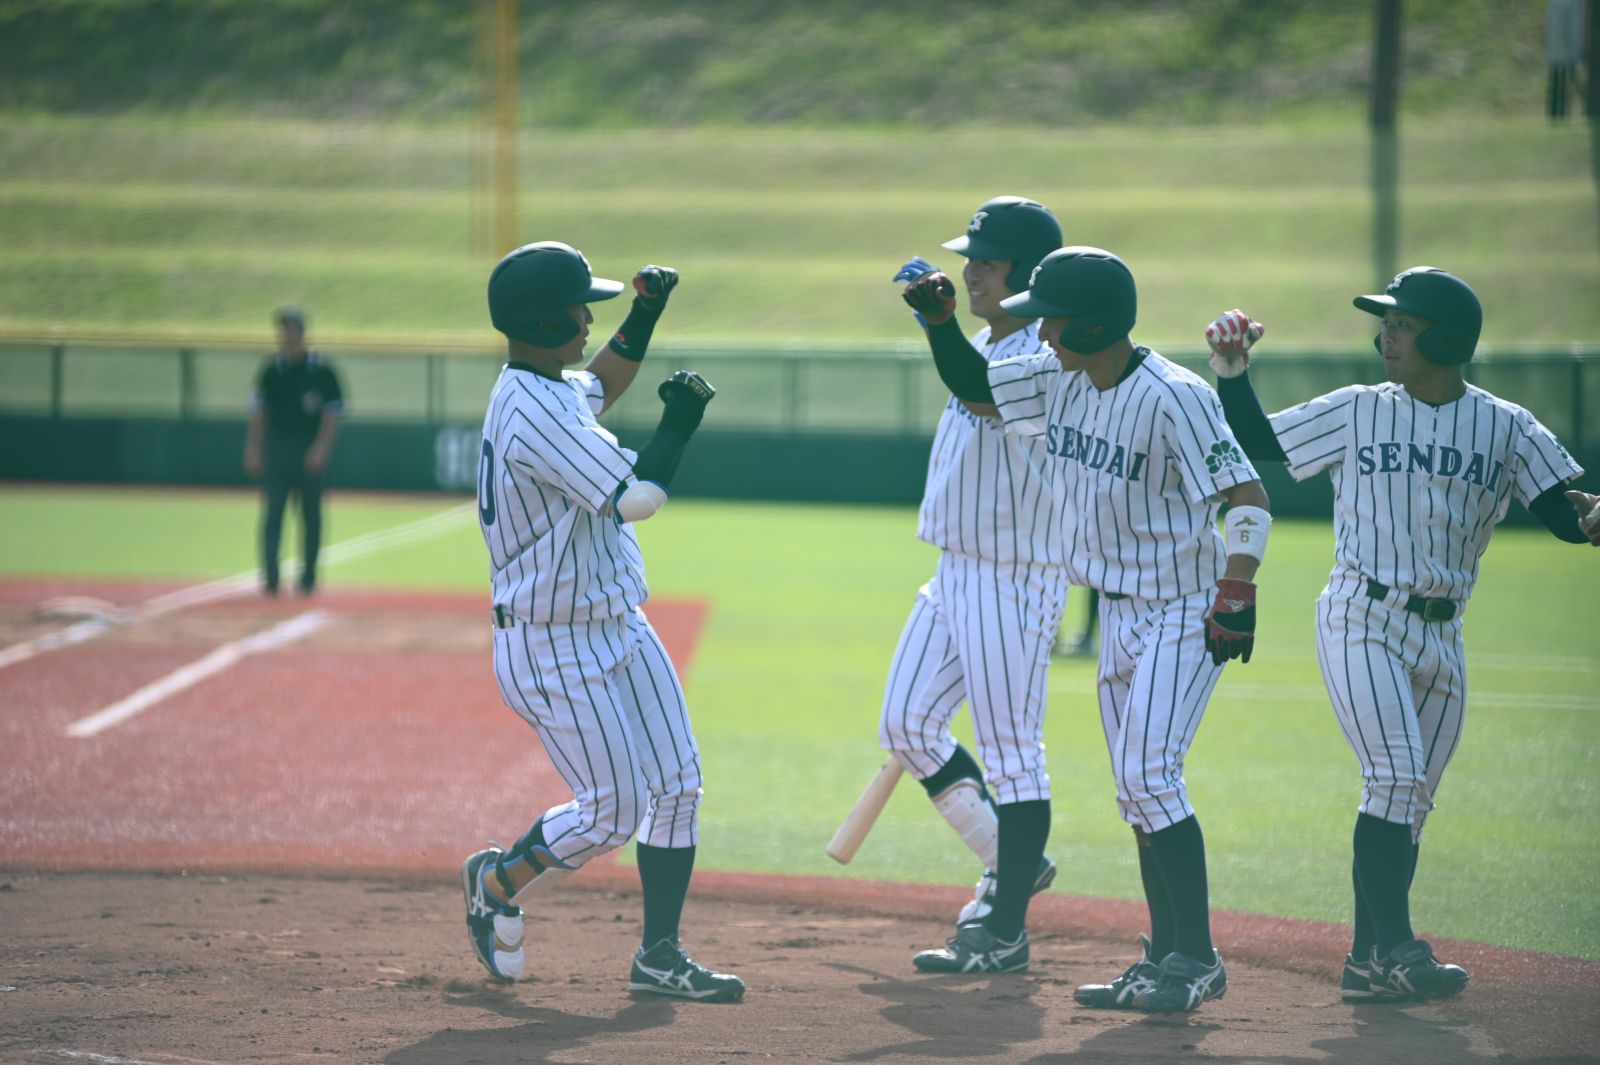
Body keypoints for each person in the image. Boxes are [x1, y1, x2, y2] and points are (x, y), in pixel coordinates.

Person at [1202, 269, 1599, 1002]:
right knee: (1392, 778)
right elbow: (1257, 440)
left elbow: (1563, 514)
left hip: (1445, 636)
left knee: (1408, 802)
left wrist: (1592, 520)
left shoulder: (1506, 425)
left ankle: (1365, 961)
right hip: (1361, 612)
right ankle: (1400, 946)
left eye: (1402, 323)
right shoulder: (1358, 409)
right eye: (1385, 321)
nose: (1385, 333)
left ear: (1445, 338)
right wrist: (1232, 371)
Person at [904, 247, 1271, 1012]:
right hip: (1119, 612)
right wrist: (941, 323)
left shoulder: (1176, 395)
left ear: (1096, 323)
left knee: (1149, 777)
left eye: (1051, 317)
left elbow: (1248, 491)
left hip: (1184, 605)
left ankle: (1197, 958)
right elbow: (975, 387)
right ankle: (1165, 955)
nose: (1038, 329)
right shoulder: (1054, 375)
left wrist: (1237, 586)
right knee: (1137, 796)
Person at [460, 240, 743, 1003]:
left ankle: (659, 956)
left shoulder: (543, 383)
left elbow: (601, 385)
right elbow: (636, 497)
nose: (591, 317)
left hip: (615, 620)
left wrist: (646, 317)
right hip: (552, 643)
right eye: (583, 306)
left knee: (679, 785)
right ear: (545, 316)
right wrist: (680, 422)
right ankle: (497, 879)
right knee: (613, 811)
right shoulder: (532, 413)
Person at [876, 196, 1065, 972]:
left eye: (986, 262)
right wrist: (949, 325)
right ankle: (1011, 864)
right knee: (907, 723)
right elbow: (968, 371)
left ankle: (1005, 925)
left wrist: (937, 324)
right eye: (971, 258)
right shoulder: (992, 342)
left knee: (1015, 754)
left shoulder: (1043, 357)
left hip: (1014, 578)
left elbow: (979, 388)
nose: (969, 271)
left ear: (1025, 274)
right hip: (956, 570)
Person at [244, 306, 343, 596]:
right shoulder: (272, 370)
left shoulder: (321, 370)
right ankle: (271, 577)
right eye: (283, 329)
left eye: (291, 328)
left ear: (301, 332)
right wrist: (253, 449)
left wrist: (321, 448)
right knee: (273, 513)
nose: (286, 334)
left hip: (307, 449)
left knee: (311, 516)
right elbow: (259, 412)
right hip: (278, 449)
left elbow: (332, 413)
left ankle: (308, 578)